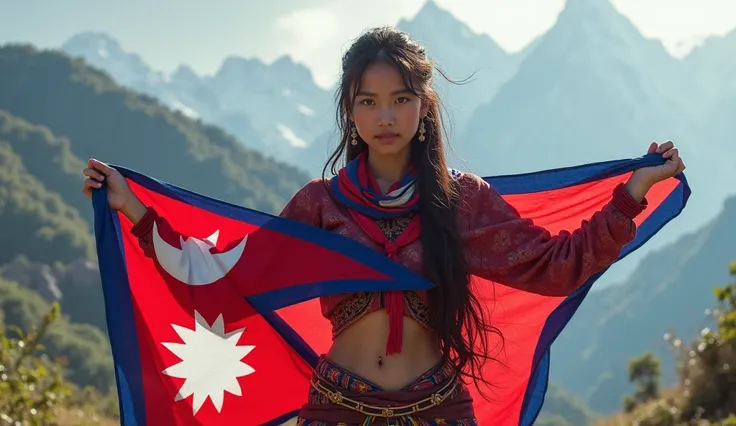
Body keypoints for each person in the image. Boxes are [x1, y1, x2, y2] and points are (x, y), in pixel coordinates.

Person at [82, 26, 685, 426]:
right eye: (367, 101)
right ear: (349, 110)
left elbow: (558, 267)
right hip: (337, 409)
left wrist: (633, 193)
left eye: (399, 98)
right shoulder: (320, 206)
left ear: (423, 105)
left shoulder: (460, 203)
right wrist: (136, 212)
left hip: (438, 410)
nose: (385, 115)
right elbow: (228, 283)